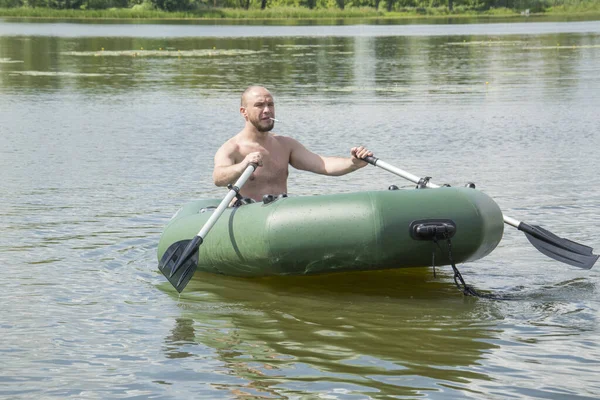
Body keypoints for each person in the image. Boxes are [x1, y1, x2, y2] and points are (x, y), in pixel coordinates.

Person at [213, 85, 373, 203]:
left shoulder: (285, 144)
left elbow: (322, 164)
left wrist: (353, 163)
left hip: (280, 217)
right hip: (247, 218)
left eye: (270, 104)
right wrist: (244, 165)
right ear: (244, 112)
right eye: (259, 105)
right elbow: (218, 178)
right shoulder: (232, 148)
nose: (267, 110)